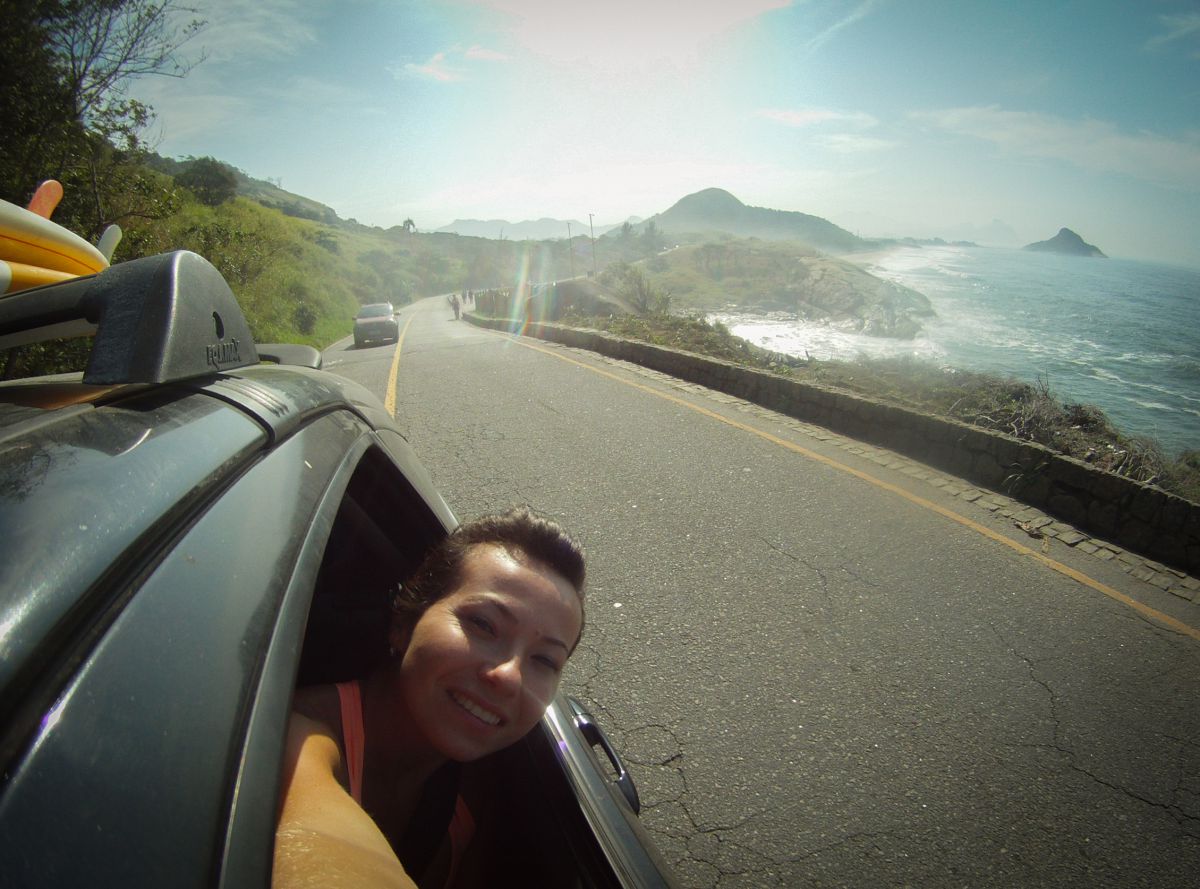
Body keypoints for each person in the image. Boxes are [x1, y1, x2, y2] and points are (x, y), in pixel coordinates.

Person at [273, 508, 586, 889]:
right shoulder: (291, 740)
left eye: (544, 660)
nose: (509, 677)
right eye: (483, 624)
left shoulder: (483, 790)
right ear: (405, 622)